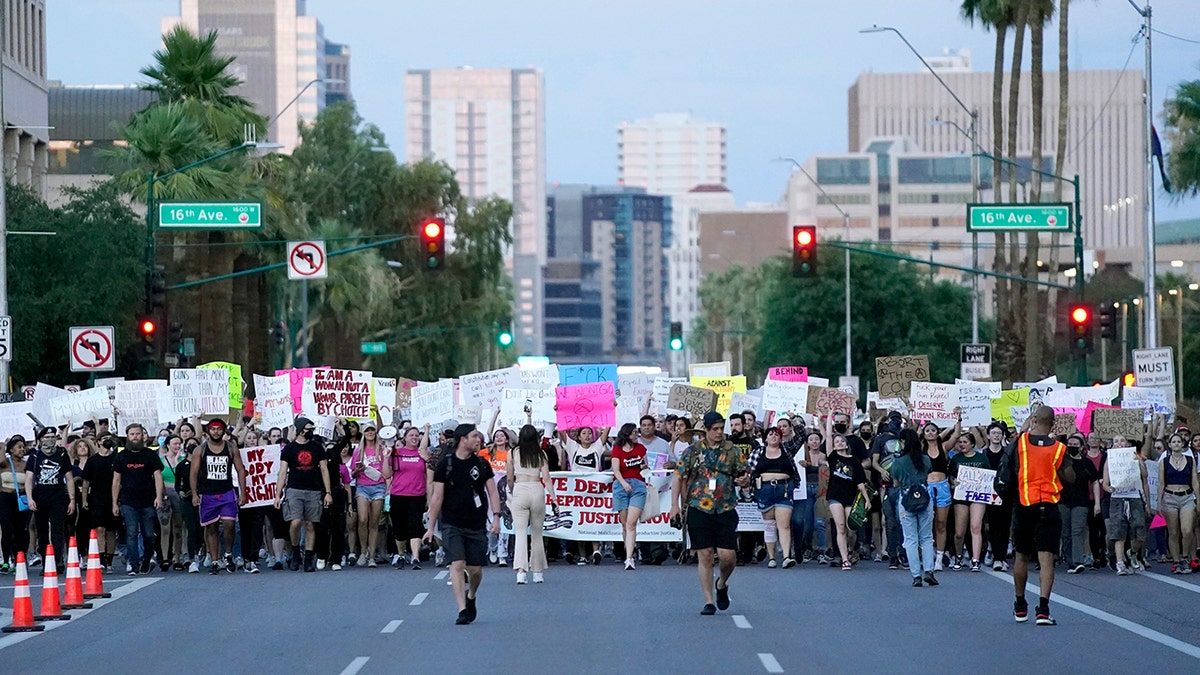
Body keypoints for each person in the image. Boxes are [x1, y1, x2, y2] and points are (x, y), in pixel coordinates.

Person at [669, 411, 749, 616]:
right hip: (699, 506)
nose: (719, 432)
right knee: (704, 555)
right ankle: (708, 600)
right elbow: (678, 476)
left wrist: (743, 481)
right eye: (715, 429)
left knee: (727, 556)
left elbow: (744, 474)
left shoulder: (732, 450)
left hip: (725, 507)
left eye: (722, 428)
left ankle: (721, 583)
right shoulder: (692, 451)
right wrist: (675, 506)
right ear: (705, 429)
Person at [1001, 404, 1073, 626]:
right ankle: (1043, 609)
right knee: (1046, 558)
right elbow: (1070, 478)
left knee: (1021, 555)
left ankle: (1020, 605)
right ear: (1053, 423)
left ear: (1033, 419)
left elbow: (1010, 468)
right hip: (1048, 505)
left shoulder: (1020, 443)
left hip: (1024, 503)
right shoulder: (1059, 449)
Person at [424, 424, 501, 625]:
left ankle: (471, 595)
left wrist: (496, 517)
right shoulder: (445, 464)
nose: (479, 440)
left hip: (476, 523)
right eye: (475, 436)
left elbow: (492, 491)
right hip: (451, 522)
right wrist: (431, 527)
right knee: (457, 564)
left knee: (475, 570)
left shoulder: (482, 464)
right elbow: (437, 496)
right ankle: (462, 609)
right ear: (463, 439)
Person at [275, 417, 333, 573]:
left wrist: (327, 492)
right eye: (308, 428)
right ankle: (295, 552)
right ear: (300, 430)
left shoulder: (317, 447)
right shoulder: (289, 449)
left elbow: (324, 470)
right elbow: (282, 473)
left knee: (310, 524)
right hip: (294, 489)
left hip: (313, 490)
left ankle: (308, 557)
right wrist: (277, 494)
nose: (311, 431)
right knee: (295, 522)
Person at [189, 419, 247, 575]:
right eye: (213, 429)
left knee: (229, 524)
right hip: (207, 494)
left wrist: (243, 492)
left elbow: (241, 470)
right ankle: (215, 560)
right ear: (208, 431)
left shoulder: (230, 448)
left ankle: (228, 554)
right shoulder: (199, 450)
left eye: (219, 429)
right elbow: (193, 473)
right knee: (211, 527)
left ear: (224, 431)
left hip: (227, 492)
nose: (216, 432)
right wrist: (194, 494)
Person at [112, 424, 164, 576]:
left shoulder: (150, 454)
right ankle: (134, 564)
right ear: (127, 436)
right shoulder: (121, 456)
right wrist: (115, 502)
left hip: (148, 501)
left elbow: (158, 477)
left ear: (143, 436)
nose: (135, 436)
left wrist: (159, 496)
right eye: (132, 434)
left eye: (138, 434)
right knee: (131, 532)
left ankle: (147, 559)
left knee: (149, 534)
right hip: (128, 501)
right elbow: (116, 481)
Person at [747, 426, 801, 568]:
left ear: (781, 438)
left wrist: (793, 419)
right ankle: (771, 558)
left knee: (784, 525)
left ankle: (786, 557)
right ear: (765, 438)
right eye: (770, 434)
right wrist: (746, 485)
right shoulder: (758, 452)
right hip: (764, 490)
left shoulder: (786, 451)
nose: (773, 437)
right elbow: (748, 470)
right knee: (769, 524)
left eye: (777, 434)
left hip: (784, 489)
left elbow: (801, 436)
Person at [508, 424, 555, 584]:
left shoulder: (513, 453)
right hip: (537, 489)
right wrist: (554, 499)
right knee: (537, 533)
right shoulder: (541, 454)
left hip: (520, 488)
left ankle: (521, 572)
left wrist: (513, 489)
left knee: (520, 532)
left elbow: (509, 477)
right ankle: (537, 572)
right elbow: (547, 478)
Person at [25, 426, 75, 571]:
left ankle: (58, 560)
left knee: (57, 530)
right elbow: (29, 479)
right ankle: (46, 562)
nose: (50, 439)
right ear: (40, 440)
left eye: (53, 436)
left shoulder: (61, 455)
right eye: (47, 437)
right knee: (42, 532)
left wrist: (72, 500)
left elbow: (69, 478)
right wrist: (29, 498)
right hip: (40, 498)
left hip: (58, 498)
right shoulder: (35, 457)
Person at [824, 414, 871, 570]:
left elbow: (861, 483)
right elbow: (828, 437)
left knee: (852, 529)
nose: (838, 443)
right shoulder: (832, 457)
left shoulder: (854, 461)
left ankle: (850, 550)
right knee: (841, 526)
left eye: (840, 441)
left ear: (845, 444)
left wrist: (867, 499)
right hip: (835, 496)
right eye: (836, 442)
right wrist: (830, 415)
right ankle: (844, 559)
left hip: (850, 497)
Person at [1102, 434, 1151, 576]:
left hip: (1134, 498)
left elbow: (1145, 476)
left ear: (1127, 443)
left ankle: (1132, 552)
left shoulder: (1135, 456)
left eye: (1122, 440)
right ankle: (1120, 563)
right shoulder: (1109, 460)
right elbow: (1105, 482)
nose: (1119, 443)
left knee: (1140, 530)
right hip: (1117, 499)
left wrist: (1139, 461)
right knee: (1119, 532)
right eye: (1116, 441)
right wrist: (1108, 488)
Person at [892, 428, 936, 586]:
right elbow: (928, 475)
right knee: (926, 537)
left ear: (903, 442)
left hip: (906, 497)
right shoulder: (925, 459)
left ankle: (916, 575)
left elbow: (896, 483)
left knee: (910, 539)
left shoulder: (898, 462)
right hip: (924, 496)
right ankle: (929, 570)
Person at [382, 426, 429, 570]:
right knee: (399, 528)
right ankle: (401, 554)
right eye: (411, 435)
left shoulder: (422, 454)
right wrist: (385, 458)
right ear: (405, 438)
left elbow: (428, 475)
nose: (414, 438)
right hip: (398, 495)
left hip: (417, 495)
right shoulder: (397, 453)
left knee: (415, 526)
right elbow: (386, 475)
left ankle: (415, 557)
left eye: (416, 435)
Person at [920, 414, 961, 571]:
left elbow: (956, 435)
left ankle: (939, 557)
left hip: (942, 487)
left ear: (937, 433)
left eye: (933, 430)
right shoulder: (921, 449)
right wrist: (912, 415)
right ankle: (928, 555)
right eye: (927, 430)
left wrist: (958, 419)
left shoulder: (943, 447)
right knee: (927, 523)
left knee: (941, 524)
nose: (930, 433)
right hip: (927, 487)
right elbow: (911, 433)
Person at [948, 431, 989, 572]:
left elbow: (988, 477)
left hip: (977, 496)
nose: (962, 444)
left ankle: (976, 559)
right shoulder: (956, 459)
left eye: (965, 442)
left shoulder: (982, 459)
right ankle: (958, 556)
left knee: (976, 527)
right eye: (960, 442)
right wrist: (954, 483)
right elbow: (951, 477)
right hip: (961, 497)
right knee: (959, 532)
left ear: (972, 444)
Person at [1158, 432, 1198, 574]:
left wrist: (1198, 500)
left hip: (1187, 496)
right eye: (1173, 442)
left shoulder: (1191, 460)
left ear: (1182, 444)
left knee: (1187, 530)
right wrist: (1158, 503)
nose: (1176, 444)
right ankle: (1176, 561)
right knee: (1173, 532)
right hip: (1170, 497)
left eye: (1178, 442)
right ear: (1169, 445)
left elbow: (1194, 481)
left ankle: (1185, 556)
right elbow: (1161, 482)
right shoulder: (1164, 461)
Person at [610, 422, 648, 571]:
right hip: (621, 485)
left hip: (638, 484)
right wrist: (623, 483)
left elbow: (645, 465)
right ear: (627, 435)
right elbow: (616, 470)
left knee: (631, 524)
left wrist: (644, 467)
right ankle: (629, 549)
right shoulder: (617, 449)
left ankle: (629, 558)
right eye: (634, 433)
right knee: (624, 523)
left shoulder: (640, 448)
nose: (637, 435)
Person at [1059, 434, 1098, 574]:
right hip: (1063, 501)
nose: (1072, 446)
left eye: (1076, 444)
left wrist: (1097, 503)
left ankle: (1077, 561)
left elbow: (1094, 481)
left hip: (1081, 501)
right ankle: (1070, 561)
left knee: (1077, 530)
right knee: (1065, 532)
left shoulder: (1087, 463)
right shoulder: (1061, 462)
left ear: (1082, 447)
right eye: (1070, 444)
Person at [872, 411, 906, 569]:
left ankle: (902, 553)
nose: (896, 422)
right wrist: (881, 471)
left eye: (898, 419)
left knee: (902, 521)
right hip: (885, 485)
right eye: (893, 419)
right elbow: (874, 461)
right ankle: (892, 554)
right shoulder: (880, 439)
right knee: (889, 520)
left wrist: (909, 410)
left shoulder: (903, 437)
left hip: (902, 485)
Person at [351, 422, 386, 567]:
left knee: (374, 521)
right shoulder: (358, 451)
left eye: (372, 430)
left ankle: (372, 555)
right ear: (363, 433)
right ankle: (363, 552)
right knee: (363, 519)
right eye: (367, 430)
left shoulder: (382, 450)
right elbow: (352, 473)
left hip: (378, 486)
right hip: (363, 487)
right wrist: (359, 470)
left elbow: (386, 470)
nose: (370, 432)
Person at [1, 438, 32, 574]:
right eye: (18, 447)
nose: (22, 450)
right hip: (5, 498)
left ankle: (19, 558)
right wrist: (3, 446)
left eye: (23, 447)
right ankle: (6, 559)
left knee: (20, 530)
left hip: (21, 499)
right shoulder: (4, 463)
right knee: (7, 529)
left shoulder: (26, 464)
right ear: (11, 450)